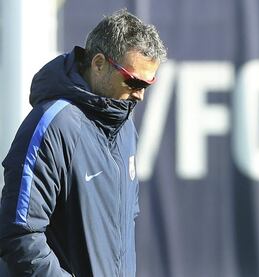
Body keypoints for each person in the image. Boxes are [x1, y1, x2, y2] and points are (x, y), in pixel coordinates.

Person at [0, 9, 167, 276]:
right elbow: (20, 234)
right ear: (98, 63)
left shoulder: (125, 129)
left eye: (147, 85)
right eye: (134, 81)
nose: (140, 95)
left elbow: (123, 228)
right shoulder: (53, 124)